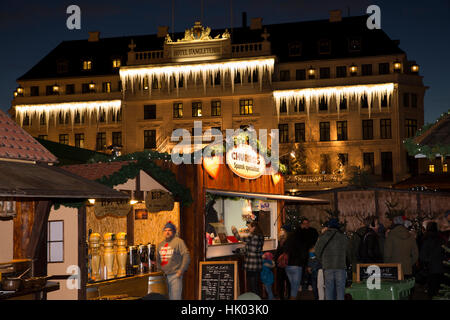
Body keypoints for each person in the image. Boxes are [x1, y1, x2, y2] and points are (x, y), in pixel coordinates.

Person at [314, 218, 350, 300]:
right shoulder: (343, 237)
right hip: (340, 266)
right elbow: (349, 251)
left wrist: (323, 260)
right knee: (340, 291)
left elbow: (317, 251)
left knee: (329, 290)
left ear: (329, 226)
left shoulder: (323, 237)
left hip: (328, 267)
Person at [156, 221, 191, 300]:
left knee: (175, 298)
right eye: (165, 230)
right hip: (163, 277)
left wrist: (181, 270)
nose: (167, 232)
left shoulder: (178, 242)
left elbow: (186, 255)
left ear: (174, 232)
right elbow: (158, 259)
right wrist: (158, 272)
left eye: (169, 230)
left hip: (175, 276)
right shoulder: (160, 245)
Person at [232, 221, 264, 296]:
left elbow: (239, 237)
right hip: (258, 262)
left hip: (251, 264)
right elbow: (252, 247)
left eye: (249, 227)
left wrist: (234, 230)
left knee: (252, 285)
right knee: (256, 284)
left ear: (254, 227)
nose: (248, 229)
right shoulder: (260, 236)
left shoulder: (252, 236)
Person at [420, 222, 445, 299]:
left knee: (432, 291)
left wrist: (427, 262)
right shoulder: (441, 239)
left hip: (431, 268)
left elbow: (423, 256)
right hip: (441, 267)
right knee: (439, 290)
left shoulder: (426, 239)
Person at [283, 225, 308, 299]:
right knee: (295, 287)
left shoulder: (288, 239)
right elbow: (304, 254)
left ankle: (292, 297)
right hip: (297, 265)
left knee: (292, 285)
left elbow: (285, 251)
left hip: (288, 266)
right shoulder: (301, 241)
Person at [299, 218, 319, 291]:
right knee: (303, 269)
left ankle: (310, 284)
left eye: (307, 223)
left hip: (312, 253)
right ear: (301, 224)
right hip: (303, 254)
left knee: (312, 268)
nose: (306, 225)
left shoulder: (313, 231)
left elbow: (317, 241)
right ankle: (302, 284)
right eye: (304, 223)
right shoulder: (300, 232)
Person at [274, 224, 291, 300]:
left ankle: (282, 297)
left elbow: (278, 252)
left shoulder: (283, 240)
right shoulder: (282, 239)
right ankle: (287, 296)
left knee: (282, 282)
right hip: (286, 264)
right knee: (287, 282)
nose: (280, 231)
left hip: (283, 264)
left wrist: (275, 261)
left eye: (282, 229)